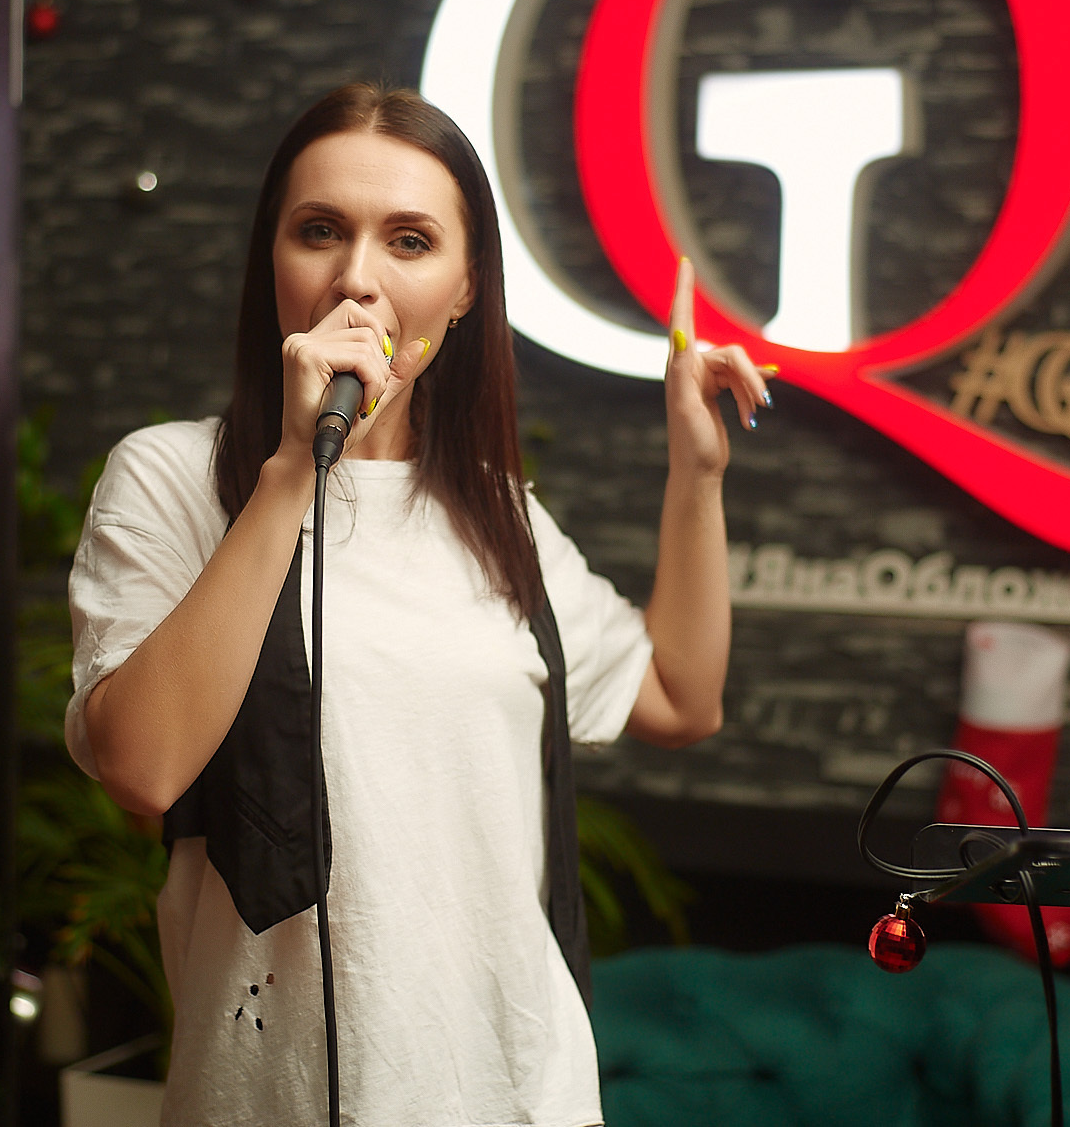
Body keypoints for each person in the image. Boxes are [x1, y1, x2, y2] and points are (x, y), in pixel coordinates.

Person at [65, 82, 771, 1126]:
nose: (357, 277)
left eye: (409, 241)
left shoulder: (494, 512)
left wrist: (698, 476)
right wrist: (293, 471)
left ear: (465, 286)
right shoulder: (172, 479)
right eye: (319, 231)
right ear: (272, 261)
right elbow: (141, 765)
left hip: (520, 1097)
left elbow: (680, 697)